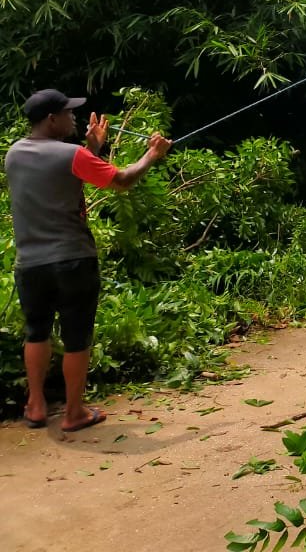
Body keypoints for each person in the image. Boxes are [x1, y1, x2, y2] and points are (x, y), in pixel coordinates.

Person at [6, 89, 172, 432]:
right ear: (51, 120)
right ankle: (73, 413)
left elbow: (65, 175)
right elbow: (122, 180)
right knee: (76, 336)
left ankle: (36, 406)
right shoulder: (70, 155)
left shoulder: (14, 153)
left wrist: (92, 147)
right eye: (67, 113)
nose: (74, 118)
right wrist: (152, 154)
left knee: (36, 332)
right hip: (72, 260)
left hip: (29, 264)